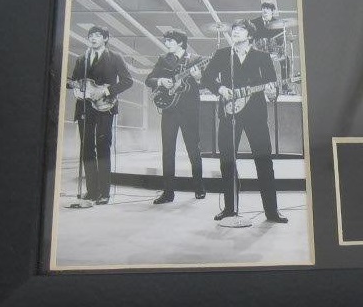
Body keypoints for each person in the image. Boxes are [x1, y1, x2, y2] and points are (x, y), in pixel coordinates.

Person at [201, 19, 287, 223]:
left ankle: (272, 211)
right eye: (234, 29)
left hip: (255, 115)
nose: (236, 32)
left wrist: (272, 92)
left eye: (241, 29)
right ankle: (230, 208)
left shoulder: (262, 57)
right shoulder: (222, 54)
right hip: (228, 113)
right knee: (227, 161)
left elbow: (272, 86)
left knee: (264, 161)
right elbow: (206, 78)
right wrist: (220, 88)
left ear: (250, 35)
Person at [69, 25, 134, 204]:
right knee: (87, 148)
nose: (93, 38)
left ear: (105, 38)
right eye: (91, 35)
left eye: (98, 35)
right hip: (85, 107)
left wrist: (105, 91)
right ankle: (92, 191)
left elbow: (128, 81)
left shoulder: (115, 57)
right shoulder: (82, 58)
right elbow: (74, 81)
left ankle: (104, 193)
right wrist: (73, 86)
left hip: (106, 107)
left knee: (103, 146)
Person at [145, 30, 206, 204]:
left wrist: (198, 77)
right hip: (169, 110)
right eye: (166, 41)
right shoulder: (163, 59)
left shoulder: (196, 59)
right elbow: (149, 79)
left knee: (193, 149)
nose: (167, 44)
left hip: (189, 111)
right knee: (168, 150)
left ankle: (199, 187)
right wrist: (160, 81)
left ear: (180, 42)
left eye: (170, 41)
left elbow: (204, 84)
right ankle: (168, 192)